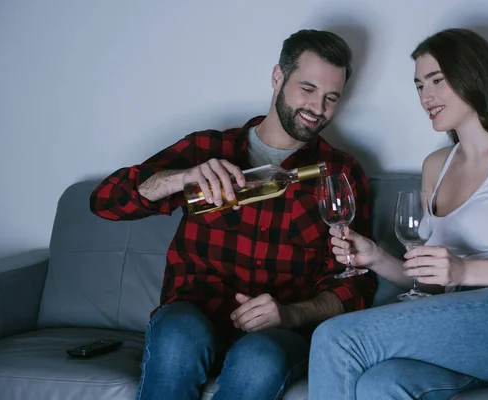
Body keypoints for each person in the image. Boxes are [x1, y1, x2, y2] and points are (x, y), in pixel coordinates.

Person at [89, 29, 377, 400]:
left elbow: (356, 283)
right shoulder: (208, 148)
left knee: (258, 358)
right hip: (194, 316)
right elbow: (105, 202)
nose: (317, 108)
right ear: (278, 77)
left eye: (330, 98)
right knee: (176, 337)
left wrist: (292, 314)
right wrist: (182, 178)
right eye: (307, 89)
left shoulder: (339, 173)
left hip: (279, 334)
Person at [308, 28, 488, 399]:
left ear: (474, 73)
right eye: (419, 85)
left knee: (336, 337)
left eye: (437, 79)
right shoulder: (436, 165)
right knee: (381, 384)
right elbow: (431, 281)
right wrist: (374, 257)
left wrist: (466, 270)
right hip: (460, 313)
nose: (426, 96)